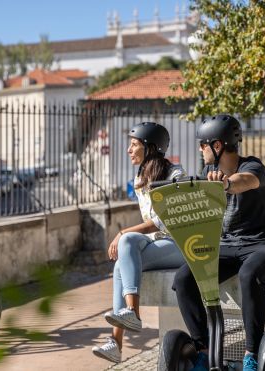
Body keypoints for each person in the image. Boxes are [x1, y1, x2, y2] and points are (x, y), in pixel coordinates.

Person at [172, 114, 265, 371]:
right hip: (227, 246)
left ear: (217, 146)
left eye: (202, 145)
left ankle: (251, 354)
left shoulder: (253, 167)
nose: (199, 150)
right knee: (183, 279)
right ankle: (203, 350)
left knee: (248, 274)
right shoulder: (207, 173)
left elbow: (244, 182)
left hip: (264, 243)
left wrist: (226, 184)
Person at [91, 122, 187, 363]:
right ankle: (116, 342)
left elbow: (161, 222)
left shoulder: (176, 175)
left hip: (181, 244)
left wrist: (122, 232)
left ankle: (131, 315)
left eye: (134, 144)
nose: (128, 150)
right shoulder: (140, 178)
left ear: (151, 148)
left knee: (127, 240)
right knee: (121, 260)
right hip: (159, 243)